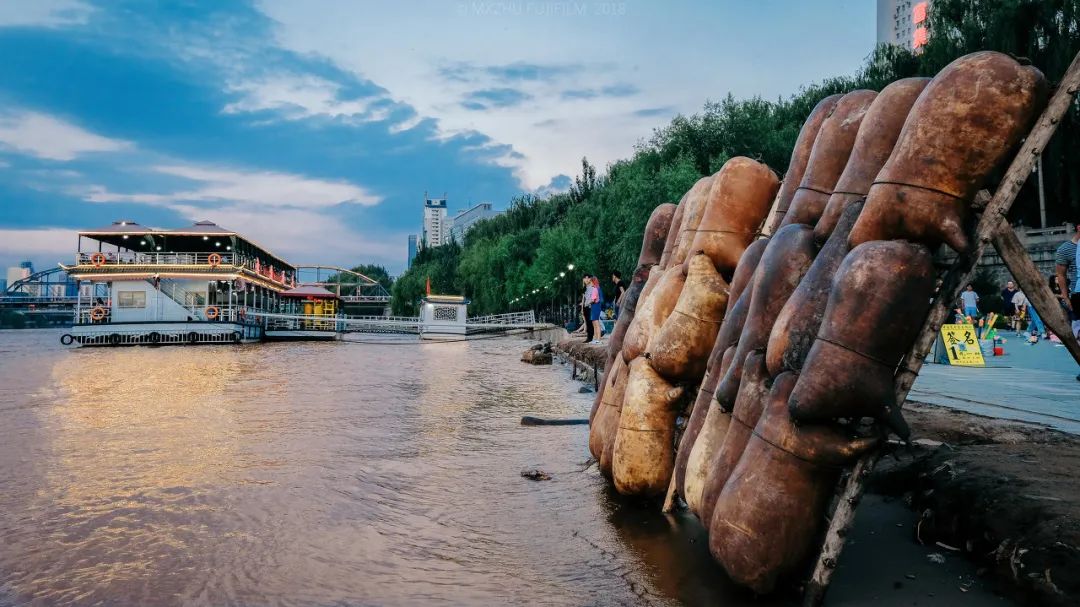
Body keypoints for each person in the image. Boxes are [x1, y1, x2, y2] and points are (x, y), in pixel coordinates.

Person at [590, 276, 604, 344]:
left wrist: (587, 302)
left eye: (590, 282)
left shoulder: (595, 289)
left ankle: (598, 339)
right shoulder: (596, 288)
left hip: (595, 306)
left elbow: (593, 300)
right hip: (595, 307)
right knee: (594, 323)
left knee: (596, 323)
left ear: (593, 281)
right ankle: (595, 339)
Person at [581, 275, 594, 343]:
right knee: (587, 322)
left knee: (590, 322)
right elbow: (583, 298)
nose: (586, 280)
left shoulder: (592, 287)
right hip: (585, 306)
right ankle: (589, 337)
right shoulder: (585, 288)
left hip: (590, 306)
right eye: (584, 278)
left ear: (590, 279)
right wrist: (582, 308)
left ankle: (591, 337)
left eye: (587, 278)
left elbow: (593, 297)